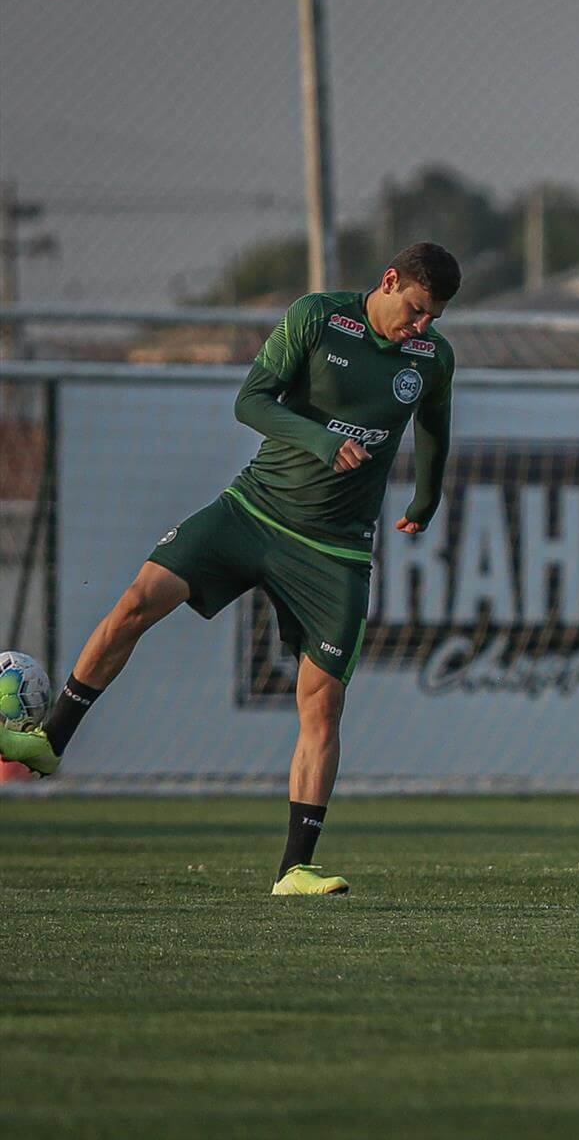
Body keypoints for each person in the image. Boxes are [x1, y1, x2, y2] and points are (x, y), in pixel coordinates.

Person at [0, 243, 460, 895]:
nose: (421, 326)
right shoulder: (318, 319)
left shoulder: (431, 357)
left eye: (432, 317)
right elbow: (252, 402)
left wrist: (426, 497)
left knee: (322, 705)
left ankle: (295, 866)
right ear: (389, 281)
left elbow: (435, 425)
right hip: (251, 512)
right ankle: (48, 743)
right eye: (415, 310)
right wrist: (321, 439)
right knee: (138, 600)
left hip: (335, 550)